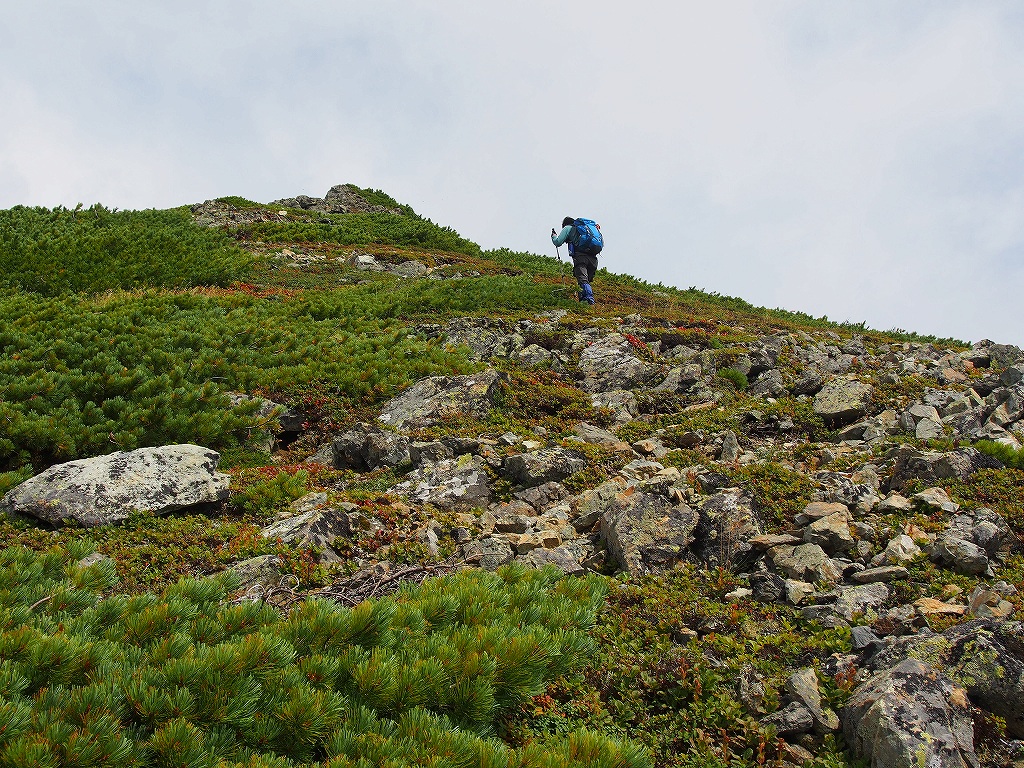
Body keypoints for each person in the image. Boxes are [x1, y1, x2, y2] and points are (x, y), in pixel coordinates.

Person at [551, 216, 598, 305]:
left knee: (582, 279)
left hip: (581, 257)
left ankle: (588, 301)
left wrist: (554, 236)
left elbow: (558, 242)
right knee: (586, 280)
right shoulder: (585, 230)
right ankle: (585, 300)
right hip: (593, 259)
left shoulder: (568, 228)